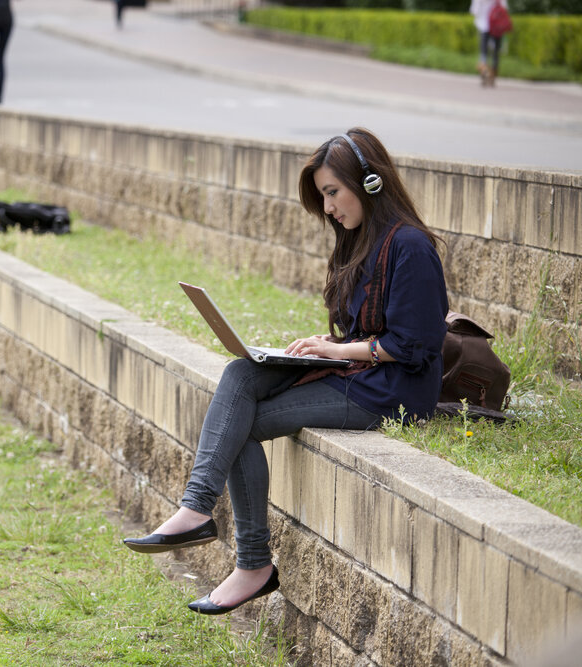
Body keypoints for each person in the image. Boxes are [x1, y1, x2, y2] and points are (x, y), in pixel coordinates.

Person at [122, 128, 449, 615]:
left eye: (332, 192)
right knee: (241, 373)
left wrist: (336, 352)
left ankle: (251, 564)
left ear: (371, 183)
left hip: (389, 391)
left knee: (240, 426)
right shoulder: (359, 243)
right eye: (323, 197)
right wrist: (321, 349)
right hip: (352, 374)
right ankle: (196, 510)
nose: (329, 208)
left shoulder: (411, 247)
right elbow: (361, 331)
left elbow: (413, 345)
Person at [470, 0, 509, 87]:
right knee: (495, 52)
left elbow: (474, 11)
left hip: (483, 24)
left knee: (483, 51)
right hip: (497, 25)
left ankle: (484, 72)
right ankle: (493, 75)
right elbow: (505, 8)